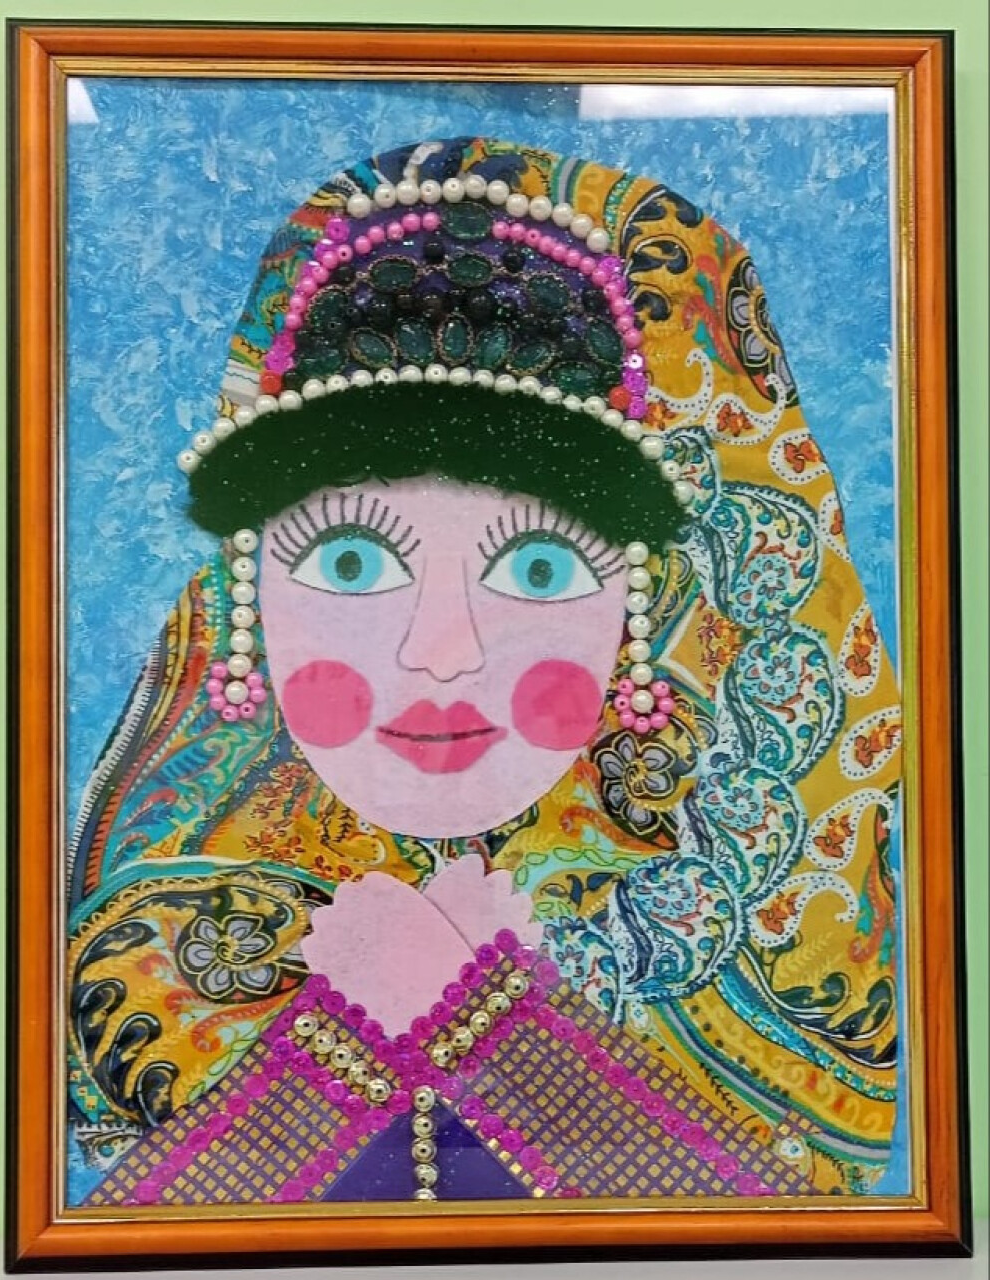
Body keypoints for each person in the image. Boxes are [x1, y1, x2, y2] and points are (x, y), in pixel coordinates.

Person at [67, 137, 902, 1207]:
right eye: (350, 561)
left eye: (539, 566)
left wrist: (483, 1017)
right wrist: (358, 1029)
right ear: (252, 594)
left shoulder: (719, 939)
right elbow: (130, 1235)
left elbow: (802, 1224)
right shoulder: (160, 943)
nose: (442, 648)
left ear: (652, 613)